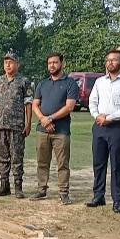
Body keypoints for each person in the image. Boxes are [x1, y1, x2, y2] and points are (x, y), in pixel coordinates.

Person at [87, 49, 120, 213]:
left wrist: (110, 118)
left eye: (114, 60)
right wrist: (97, 116)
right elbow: (92, 101)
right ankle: (98, 196)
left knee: (116, 165)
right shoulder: (100, 82)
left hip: (116, 127)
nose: (110, 63)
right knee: (98, 163)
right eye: (108, 60)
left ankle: (117, 200)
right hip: (99, 127)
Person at [31, 53, 78, 205]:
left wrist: (50, 118)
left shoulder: (70, 83)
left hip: (61, 131)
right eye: (49, 63)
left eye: (55, 62)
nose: (52, 65)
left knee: (62, 164)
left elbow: (69, 106)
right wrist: (43, 120)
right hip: (42, 130)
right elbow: (35, 105)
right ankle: (41, 189)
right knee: (42, 162)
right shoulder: (42, 84)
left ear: (62, 63)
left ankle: (64, 192)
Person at [0, 49, 33, 198]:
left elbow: (28, 103)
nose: (7, 65)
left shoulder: (23, 82)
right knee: (2, 156)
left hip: (17, 125)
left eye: (10, 62)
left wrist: (28, 122)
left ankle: (18, 187)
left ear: (17, 64)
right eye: (5, 62)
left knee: (17, 156)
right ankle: (4, 185)